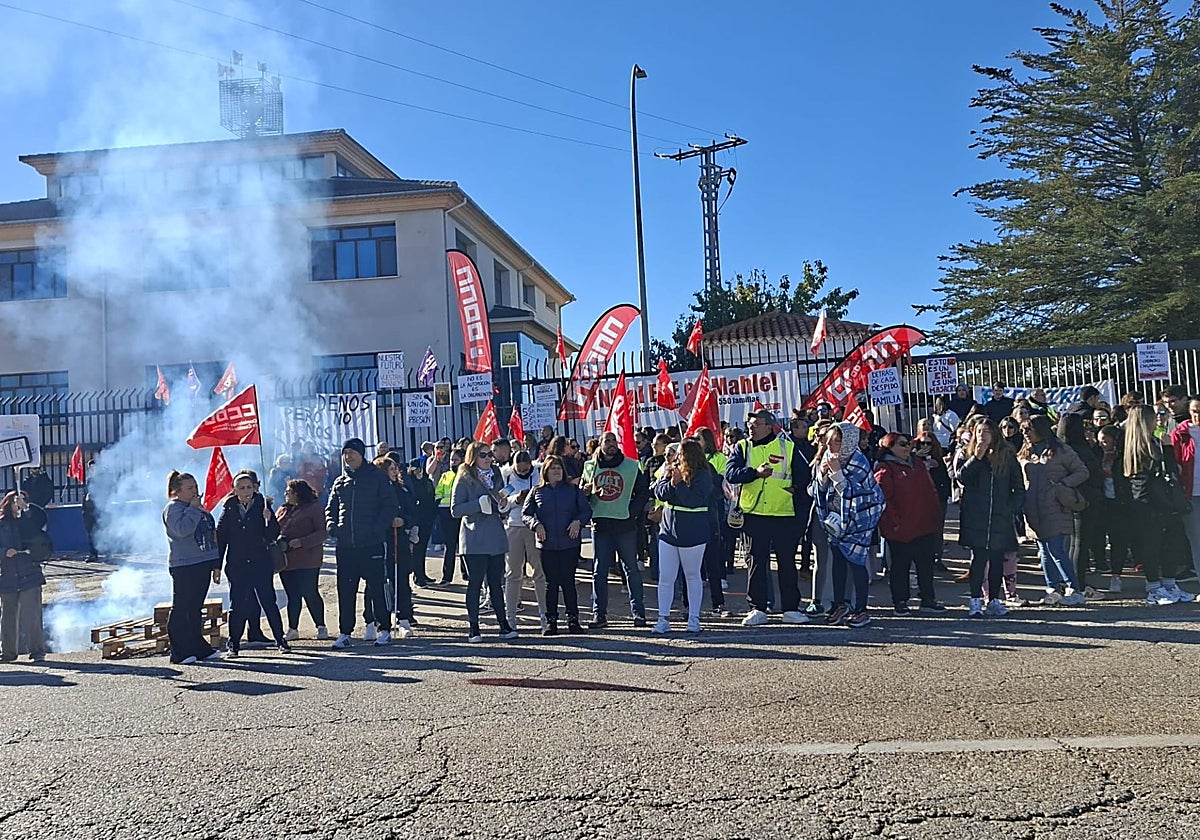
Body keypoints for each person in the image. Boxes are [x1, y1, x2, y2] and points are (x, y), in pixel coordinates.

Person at [725, 408, 810, 627]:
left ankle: (790, 608)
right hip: (753, 514)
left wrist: (795, 489)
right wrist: (753, 472)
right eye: (749, 424)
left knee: (786, 562)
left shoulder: (787, 446)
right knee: (756, 562)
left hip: (782, 512)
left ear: (769, 426)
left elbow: (804, 475)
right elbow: (731, 473)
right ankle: (758, 608)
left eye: (756, 424)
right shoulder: (742, 447)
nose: (751, 428)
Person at [811, 422, 886, 628]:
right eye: (829, 441)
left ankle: (861, 609)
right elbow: (817, 489)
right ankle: (839, 604)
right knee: (838, 563)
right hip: (836, 521)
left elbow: (857, 493)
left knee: (857, 563)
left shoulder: (859, 462)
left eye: (836, 441)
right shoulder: (827, 458)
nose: (831, 446)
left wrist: (837, 474)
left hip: (859, 520)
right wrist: (823, 474)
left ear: (848, 442)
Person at [326, 438, 398, 649]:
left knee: (377, 588)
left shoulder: (377, 478)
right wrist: (332, 526)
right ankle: (345, 632)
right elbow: (330, 508)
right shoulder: (340, 481)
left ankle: (383, 629)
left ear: (361, 453)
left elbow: (389, 506)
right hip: (346, 546)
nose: (348, 456)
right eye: (345, 452)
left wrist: (376, 529)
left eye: (352, 452)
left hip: (372, 544)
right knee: (345, 591)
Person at [1125, 405, 1195, 604]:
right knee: (1153, 544)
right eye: (1153, 417)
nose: (1157, 419)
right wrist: (1168, 449)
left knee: (1170, 542)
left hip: (1154, 499)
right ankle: (1154, 587)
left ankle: (1170, 584)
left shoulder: (1149, 441)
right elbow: (1169, 470)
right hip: (1150, 500)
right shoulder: (1143, 446)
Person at [581, 431, 650, 629]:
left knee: (631, 570)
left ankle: (639, 614)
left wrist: (632, 512)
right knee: (599, 571)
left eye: (613, 440)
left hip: (625, 524)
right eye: (607, 441)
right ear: (599, 444)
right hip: (600, 525)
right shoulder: (589, 466)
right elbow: (583, 496)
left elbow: (643, 492)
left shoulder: (631, 465)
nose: (611, 444)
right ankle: (599, 615)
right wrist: (585, 492)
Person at [1017, 415, 1090, 606]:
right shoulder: (1025, 452)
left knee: (1057, 549)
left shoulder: (1061, 450)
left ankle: (1073, 588)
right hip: (1033, 507)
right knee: (1044, 551)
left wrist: (1063, 485)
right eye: (1023, 430)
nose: (1024, 433)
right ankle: (1053, 589)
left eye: (1028, 429)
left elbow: (1082, 471)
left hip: (1055, 506)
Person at [451, 441, 519, 642]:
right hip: (474, 537)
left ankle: (504, 625)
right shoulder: (464, 478)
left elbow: (498, 503)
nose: (488, 458)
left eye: (490, 454)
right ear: (473, 457)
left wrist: (503, 504)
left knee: (496, 584)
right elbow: (455, 510)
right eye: (483, 455)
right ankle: (474, 627)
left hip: (495, 536)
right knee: (475, 583)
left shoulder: (496, 475)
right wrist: (479, 505)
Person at [956, 419, 1025, 617]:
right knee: (978, 559)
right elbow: (961, 477)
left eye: (986, 431)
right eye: (978, 431)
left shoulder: (1007, 455)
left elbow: (1018, 487)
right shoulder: (967, 453)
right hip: (976, 516)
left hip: (999, 515)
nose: (982, 435)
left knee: (997, 559)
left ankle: (993, 600)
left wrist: (1010, 508)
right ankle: (975, 600)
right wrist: (976, 457)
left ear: (994, 434)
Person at [217, 470, 288, 655]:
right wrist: (216, 565)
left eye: (249, 487)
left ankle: (281, 640)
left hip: (260, 561)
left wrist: (269, 519)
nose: (246, 491)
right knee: (237, 604)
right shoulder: (229, 508)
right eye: (241, 487)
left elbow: (272, 535)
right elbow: (222, 538)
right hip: (237, 563)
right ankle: (234, 643)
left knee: (268, 601)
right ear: (235, 490)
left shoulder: (262, 505)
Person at [874, 433, 945, 614]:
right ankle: (900, 601)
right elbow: (883, 500)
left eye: (909, 444)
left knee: (926, 564)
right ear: (889, 447)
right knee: (900, 567)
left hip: (924, 525)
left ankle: (928, 599)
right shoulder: (885, 468)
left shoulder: (918, 464)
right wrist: (894, 523)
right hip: (900, 530)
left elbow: (931, 490)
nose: (907, 448)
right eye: (902, 444)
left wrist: (934, 514)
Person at [523, 455, 591, 635]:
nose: (556, 471)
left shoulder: (572, 490)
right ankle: (551, 622)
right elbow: (526, 514)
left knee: (568, 582)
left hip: (569, 543)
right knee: (551, 583)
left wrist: (578, 521)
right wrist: (536, 525)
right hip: (547, 544)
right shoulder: (537, 491)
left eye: (559, 468)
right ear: (545, 471)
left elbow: (586, 511)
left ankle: (573, 620)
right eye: (553, 468)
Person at [651, 439, 714, 634]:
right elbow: (660, 492)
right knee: (666, 577)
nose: (676, 458)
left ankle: (693, 618)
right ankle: (663, 618)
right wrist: (671, 482)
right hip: (668, 533)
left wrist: (678, 485)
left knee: (692, 576)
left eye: (680, 454)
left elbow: (693, 500)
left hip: (693, 533)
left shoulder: (704, 475)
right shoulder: (671, 470)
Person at [161, 472, 222, 665]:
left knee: (195, 608)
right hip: (185, 564)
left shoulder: (196, 507)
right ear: (177, 491)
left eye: (195, 486)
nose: (195, 491)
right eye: (190, 488)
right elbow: (182, 530)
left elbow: (209, 534)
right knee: (182, 608)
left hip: (202, 562)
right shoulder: (173, 509)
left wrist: (215, 563)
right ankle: (179, 651)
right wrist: (194, 510)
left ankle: (198, 647)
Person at [1057, 413, 1104, 594]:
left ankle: (1067, 582)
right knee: (1080, 544)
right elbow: (1093, 473)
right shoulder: (1081, 450)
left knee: (1066, 544)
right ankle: (1078, 584)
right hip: (1084, 498)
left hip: (1064, 499)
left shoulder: (1059, 448)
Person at [275, 479, 328, 641]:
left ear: (298, 493)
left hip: (308, 559)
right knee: (292, 595)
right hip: (287, 560)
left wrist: (302, 542)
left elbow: (322, 533)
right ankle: (292, 628)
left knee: (309, 592)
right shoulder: (283, 509)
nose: (286, 495)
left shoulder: (313, 509)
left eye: (289, 492)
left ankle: (321, 626)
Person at [0, 491, 49, 662]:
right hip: (8, 576)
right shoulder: (1, 525)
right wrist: (4, 552)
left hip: (30, 573)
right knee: (8, 617)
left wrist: (28, 509)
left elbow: (40, 522)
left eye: (21, 501)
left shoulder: (29, 521)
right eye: (15, 501)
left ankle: (37, 651)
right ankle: (8, 652)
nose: (17, 505)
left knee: (32, 616)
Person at [502, 451, 545, 630]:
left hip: (535, 525)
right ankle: (510, 617)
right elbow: (501, 503)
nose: (523, 472)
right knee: (513, 574)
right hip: (514, 525)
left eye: (526, 469)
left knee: (539, 572)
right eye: (519, 470)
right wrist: (515, 499)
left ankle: (545, 616)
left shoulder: (540, 472)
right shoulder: (506, 475)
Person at [374, 457, 416, 639]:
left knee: (401, 579)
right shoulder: (374, 491)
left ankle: (404, 618)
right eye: (389, 469)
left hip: (399, 539)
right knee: (379, 582)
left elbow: (413, 512)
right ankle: (377, 620)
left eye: (395, 468)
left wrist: (404, 520)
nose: (394, 472)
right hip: (380, 540)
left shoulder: (402, 489)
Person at [1168, 397, 1200, 585]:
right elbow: (1174, 463)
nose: (1197, 415)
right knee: (1196, 540)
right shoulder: (1180, 433)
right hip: (1191, 492)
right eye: (1194, 411)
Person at [1095, 425, 1129, 590]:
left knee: (1119, 541)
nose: (1102, 444)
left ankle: (1116, 576)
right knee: (1099, 538)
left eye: (1105, 441)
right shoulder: (1096, 455)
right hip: (1102, 502)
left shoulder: (1123, 457)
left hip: (1120, 502)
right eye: (1100, 441)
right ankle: (1104, 567)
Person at [433, 448, 465, 585]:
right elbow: (438, 492)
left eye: (456, 460)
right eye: (452, 459)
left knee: (464, 546)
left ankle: (466, 574)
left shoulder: (466, 475)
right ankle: (447, 577)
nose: (453, 462)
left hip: (462, 514)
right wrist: (439, 504)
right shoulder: (445, 475)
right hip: (446, 513)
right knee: (450, 546)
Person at [406, 459, 437, 586]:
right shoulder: (410, 482)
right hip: (417, 520)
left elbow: (430, 496)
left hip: (427, 518)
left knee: (423, 548)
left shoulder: (427, 481)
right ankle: (418, 576)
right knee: (417, 549)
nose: (418, 471)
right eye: (415, 469)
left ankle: (422, 574)